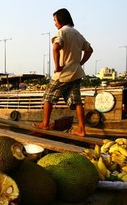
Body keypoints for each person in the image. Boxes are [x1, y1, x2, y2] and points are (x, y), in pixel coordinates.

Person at [34, 8, 93, 136]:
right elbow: (89, 50)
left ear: (60, 20)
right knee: (77, 101)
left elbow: (56, 48)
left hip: (63, 73)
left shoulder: (62, 32)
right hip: (76, 73)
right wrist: (80, 63)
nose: (54, 23)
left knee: (48, 97)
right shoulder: (77, 34)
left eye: (55, 20)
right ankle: (82, 129)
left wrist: (58, 66)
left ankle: (45, 123)